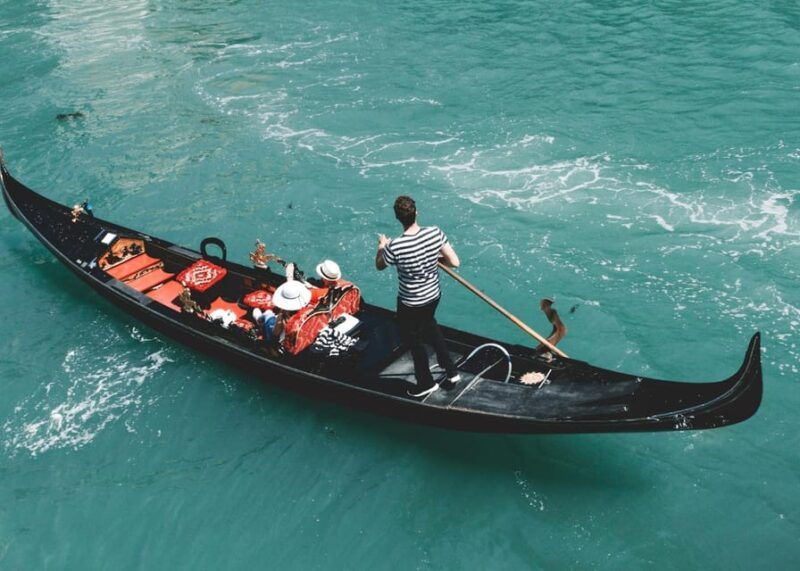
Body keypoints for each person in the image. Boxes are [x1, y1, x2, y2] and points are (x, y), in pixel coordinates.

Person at [376, 195, 461, 397]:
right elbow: (454, 262)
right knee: (430, 324)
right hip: (433, 295)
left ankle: (425, 383)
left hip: (410, 303)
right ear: (417, 213)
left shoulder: (394, 246)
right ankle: (451, 371)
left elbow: (380, 266)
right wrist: (431, 257)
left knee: (414, 340)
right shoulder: (434, 233)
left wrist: (381, 247)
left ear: (397, 218)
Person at [253, 280, 311, 345]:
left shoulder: (283, 317)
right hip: (294, 336)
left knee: (265, 313)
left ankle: (260, 322)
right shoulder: (306, 310)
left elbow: (275, 333)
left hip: (279, 340)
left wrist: (280, 317)